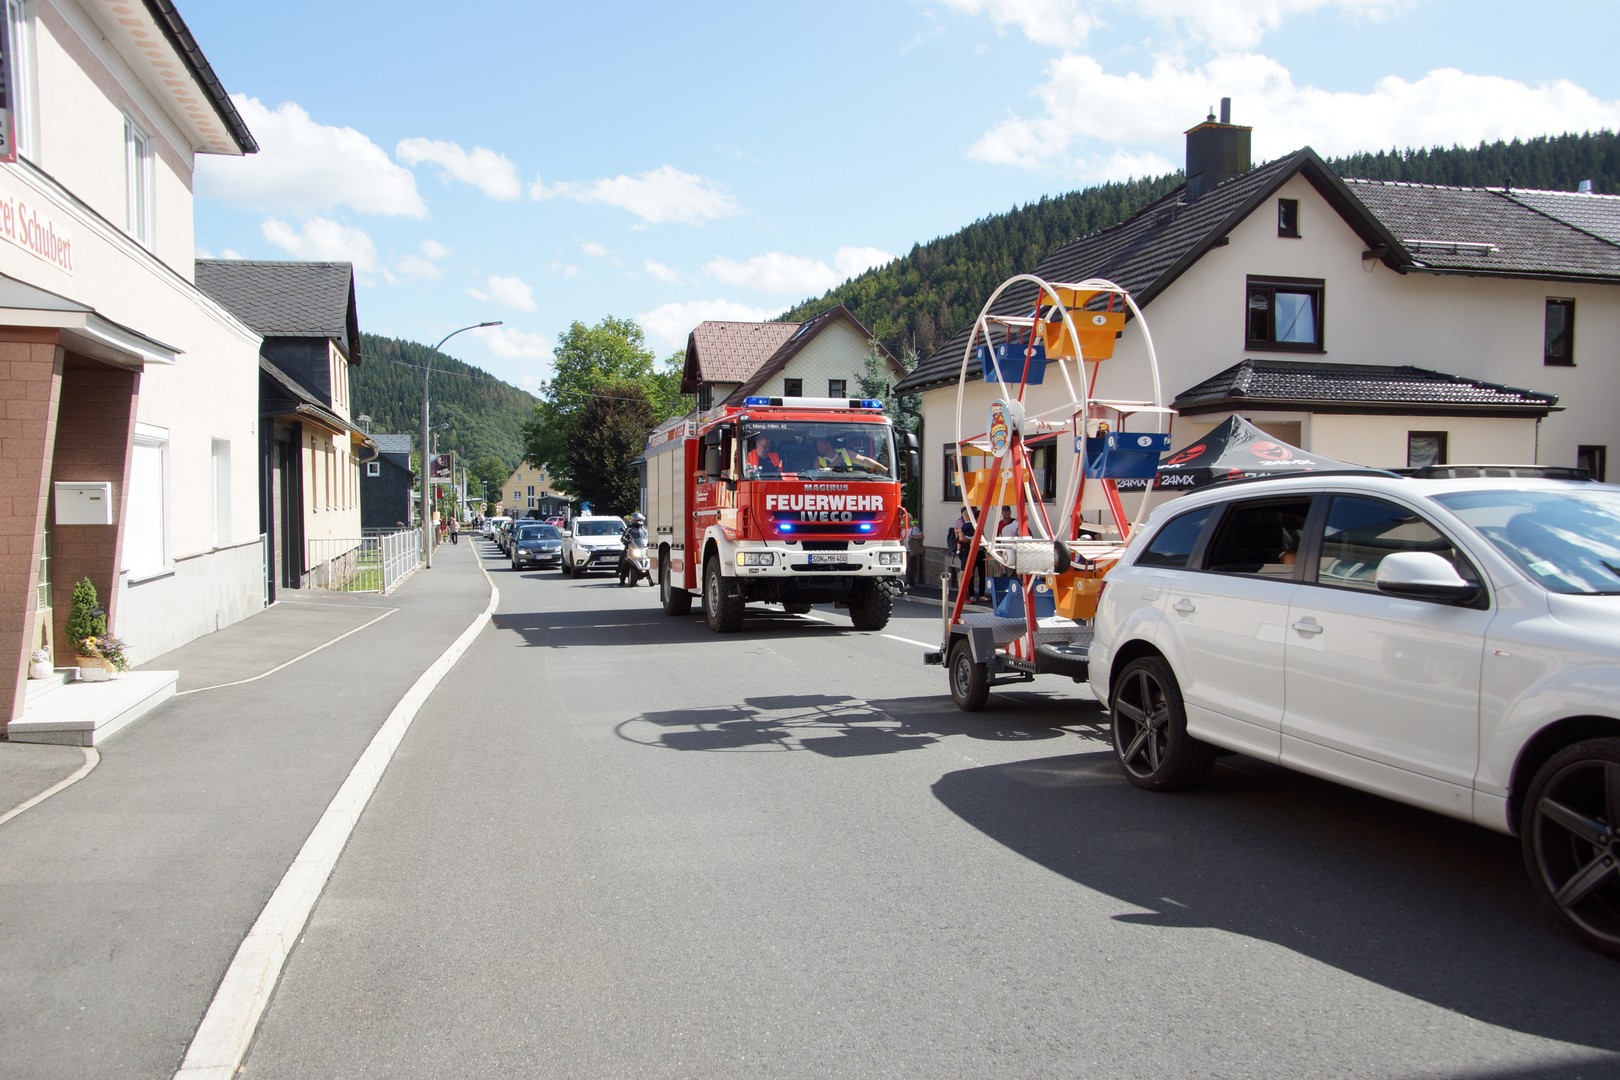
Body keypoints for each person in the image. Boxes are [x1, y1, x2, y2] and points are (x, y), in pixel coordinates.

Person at [814, 435, 882, 472]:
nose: (818, 448)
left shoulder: (845, 452)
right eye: (816, 446)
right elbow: (817, 475)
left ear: (827, 444)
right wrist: (835, 463)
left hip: (850, 482)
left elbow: (864, 461)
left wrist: (884, 469)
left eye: (820, 445)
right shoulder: (818, 460)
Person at [905, 514, 925, 589]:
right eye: (904, 519)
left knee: (909, 566)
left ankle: (910, 583)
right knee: (906, 566)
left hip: (911, 550)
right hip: (904, 549)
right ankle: (907, 582)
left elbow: (922, 536)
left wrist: (914, 537)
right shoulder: (902, 528)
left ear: (910, 520)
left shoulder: (914, 528)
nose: (905, 520)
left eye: (907, 519)